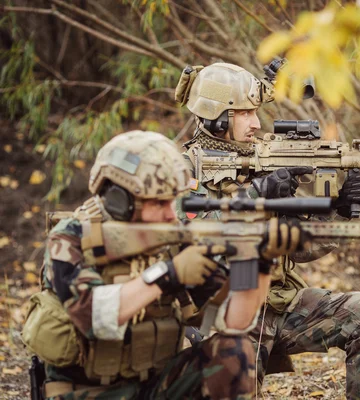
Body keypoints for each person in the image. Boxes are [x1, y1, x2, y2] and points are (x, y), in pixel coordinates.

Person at [21, 130, 301, 399]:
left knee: (234, 351)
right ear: (121, 200)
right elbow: (93, 316)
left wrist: (259, 261)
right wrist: (169, 274)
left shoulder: (171, 237)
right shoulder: (73, 236)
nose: (171, 214)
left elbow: (234, 319)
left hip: (152, 384)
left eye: (173, 201)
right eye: (160, 203)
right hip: (85, 390)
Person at [174, 63, 360, 400]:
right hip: (218, 314)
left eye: (256, 112)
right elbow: (190, 240)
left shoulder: (264, 161)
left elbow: (300, 250)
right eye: (244, 113)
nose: (256, 123)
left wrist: (339, 210)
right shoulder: (182, 170)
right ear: (216, 117)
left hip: (276, 306)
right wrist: (256, 195)